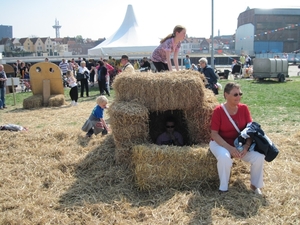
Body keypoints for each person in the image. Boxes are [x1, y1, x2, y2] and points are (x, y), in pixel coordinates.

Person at [209, 82, 265, 194]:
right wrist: (230, 149)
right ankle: (223, 188)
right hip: (220, 143)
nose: (239, 97)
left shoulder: (244, 108)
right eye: (235, 94)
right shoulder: (218, 111)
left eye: (240, 94)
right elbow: (214, 134)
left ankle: (255, 185)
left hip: (239, 144)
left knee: (259, 157)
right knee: (224, 157)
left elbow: (251, 130)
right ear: (226, 95)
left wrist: (246, 146)